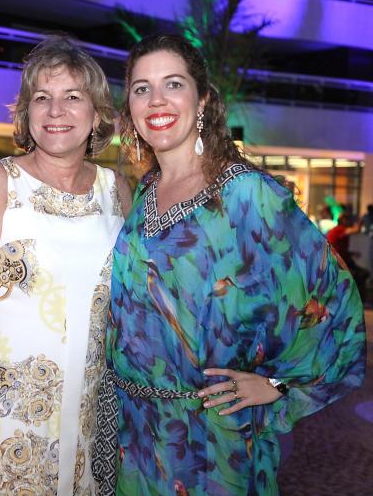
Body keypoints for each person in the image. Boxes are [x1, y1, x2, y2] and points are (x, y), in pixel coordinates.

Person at [105, 34, 366, 494]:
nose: (156, 100)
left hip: (210, 443)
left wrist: (278, 385)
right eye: (142, 88)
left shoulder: (247, 194)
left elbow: (332, 303)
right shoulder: (145, 191)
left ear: (203, 99)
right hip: (136, 435)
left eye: (173, 84)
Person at [0, 35, 132, 495]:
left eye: (72, 97)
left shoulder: (116, 191)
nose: (55, 110)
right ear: (27, 113)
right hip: (0, 422)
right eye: (42, 98)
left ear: (97, 114)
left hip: (85, 421)